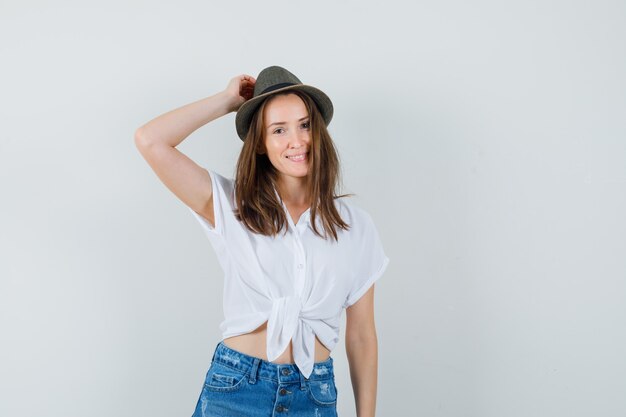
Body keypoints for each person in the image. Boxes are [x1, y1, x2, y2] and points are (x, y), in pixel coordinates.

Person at [134, 65, 390, 417]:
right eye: (279, 130)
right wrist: (227, 102)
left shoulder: (355, 227)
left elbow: (362, 336)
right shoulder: (230, 205)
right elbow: (150, 140)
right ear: (261, 143)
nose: (297, 140)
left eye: (304, 125)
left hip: (313, 397)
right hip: (236, 391)